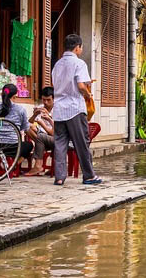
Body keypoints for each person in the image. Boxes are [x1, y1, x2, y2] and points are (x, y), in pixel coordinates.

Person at [51, 34, 102, 186]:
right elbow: (81, 85)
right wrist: (88, 94)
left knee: (60, 144)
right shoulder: (79, 64)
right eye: (81, 47)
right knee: (81, 143)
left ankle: (59, 177)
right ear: (77, 47)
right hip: (74, 108)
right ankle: (89, 175)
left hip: (59, 109)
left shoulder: (57, 64)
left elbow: (56, 85)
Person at [0, 84, 33, 160]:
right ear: (14, 96)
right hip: (13, 148)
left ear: (2, 94)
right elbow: (25, 128)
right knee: (29, 145)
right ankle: (15, 164)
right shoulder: (21, 109)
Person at [24, 87, 55, 177]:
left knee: (40, 137)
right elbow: (29, 123)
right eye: (44, 100)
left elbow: (53, 133)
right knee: (28, 127)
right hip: (43, 136)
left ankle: (38, 165)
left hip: (55, 137)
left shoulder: (58, 110)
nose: (45, 102)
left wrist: (47, 119)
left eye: (48, 100)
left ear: (54, 99)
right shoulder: (41, 108)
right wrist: (34, 115)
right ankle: (42, 147)